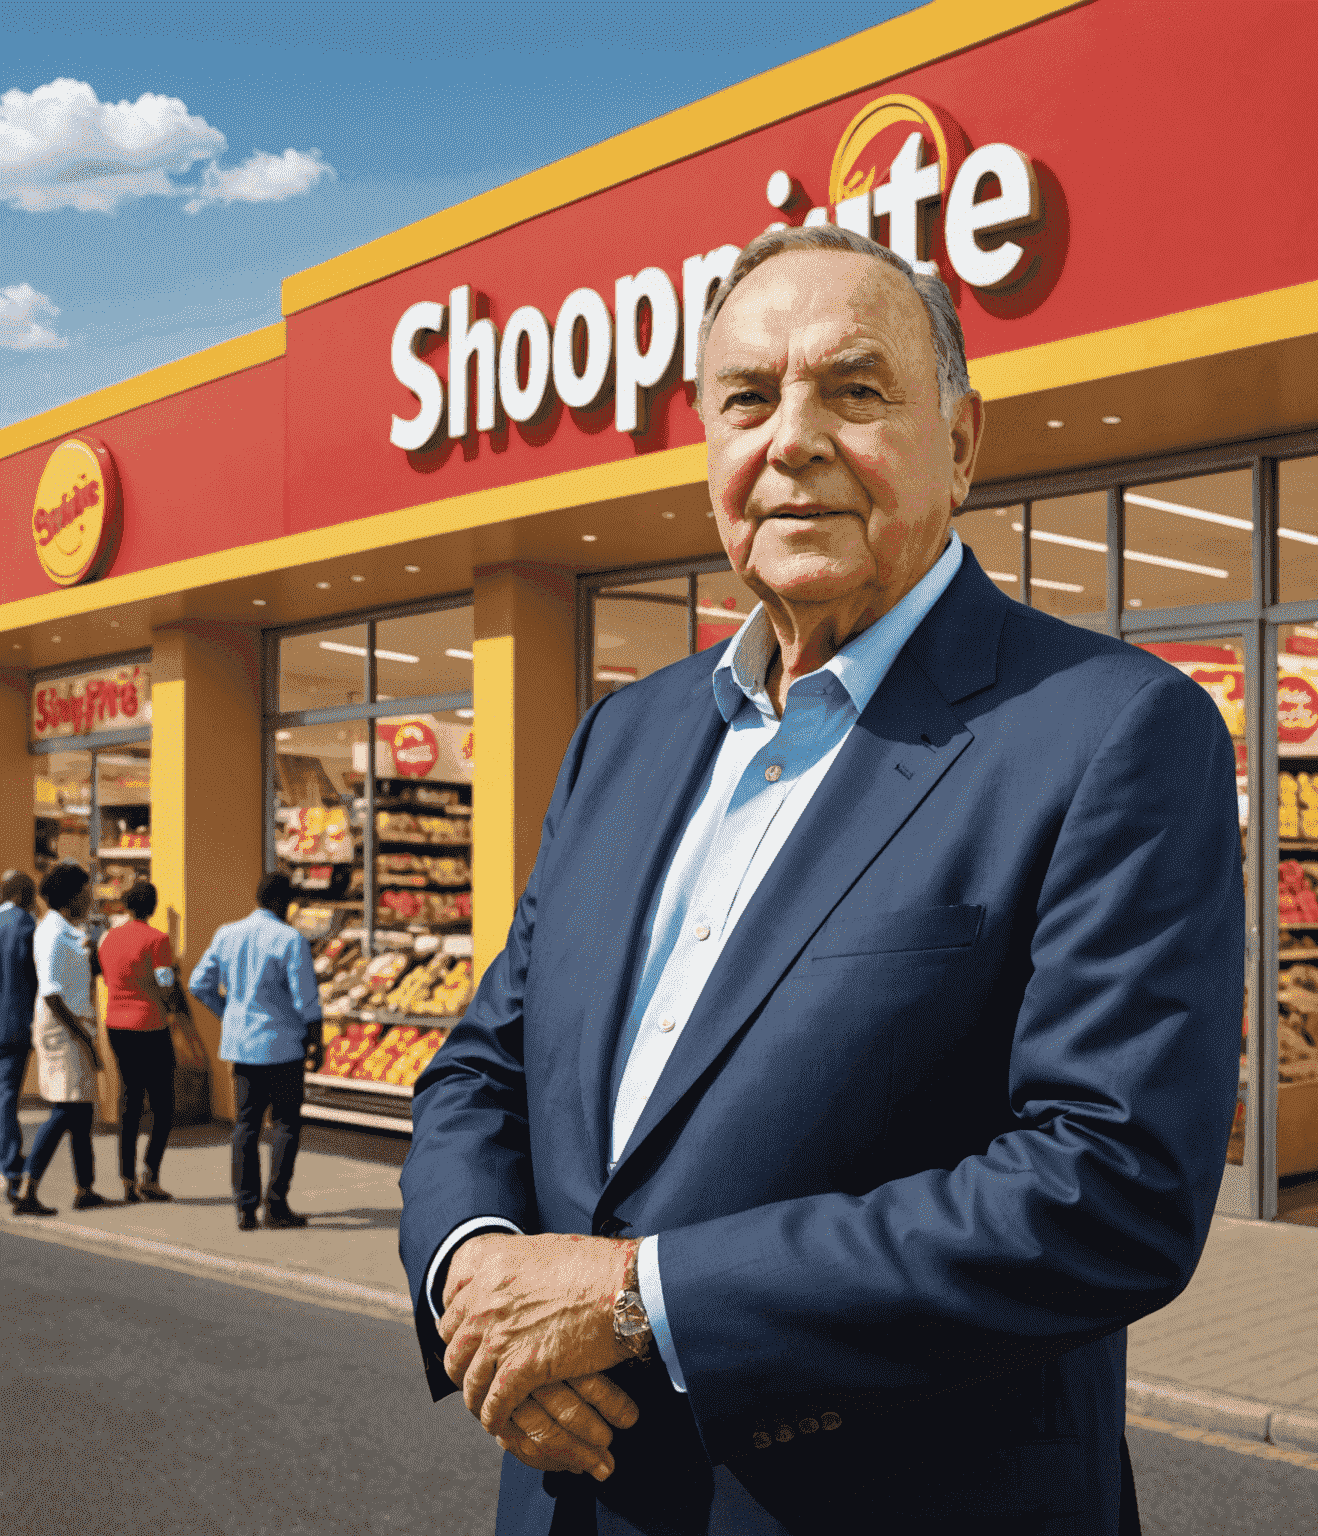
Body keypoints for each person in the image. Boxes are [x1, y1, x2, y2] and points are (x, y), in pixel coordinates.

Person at [399, 226, 1245, 1536]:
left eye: (854, 391)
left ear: (962, 442)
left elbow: (1108, 1186)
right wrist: (474, 1280)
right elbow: (485, 1067)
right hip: (571, 1499)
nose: (790, 441)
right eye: (746, 397)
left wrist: (635, 1299)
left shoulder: (1114, 732)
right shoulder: (624, 736)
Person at [188, 871, 322, 1232]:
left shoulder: (227, 934)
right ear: (282, 901)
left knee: (246, 1125)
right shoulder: (290, 940)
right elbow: (305, 996)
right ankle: (276, 1204)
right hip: (282, 1047)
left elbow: (198, 983)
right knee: (285, 1124)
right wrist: (316, 1038)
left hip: (243, 1047)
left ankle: (245, 1208)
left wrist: (227, 1013)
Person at [13, 863, 106, 1216]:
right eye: (85, 891)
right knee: (66, 1108)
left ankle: (85, 1188)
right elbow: (52, 992)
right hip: (62, 1029)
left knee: (80, 1110)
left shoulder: (66, 929)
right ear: (71, 896)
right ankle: (27, 1190)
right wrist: (84, 1038)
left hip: (71, 1025)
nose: (90, 897)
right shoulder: (52, 931)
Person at [98, 880, 179, 1203]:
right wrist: (173, 1006)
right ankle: (151, 1176)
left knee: (130, 1102)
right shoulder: (157, 940)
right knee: (163, 1104)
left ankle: (126, 1179)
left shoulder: (109, 939)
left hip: (116, 1024)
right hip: (150, 1025)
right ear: (153, 907)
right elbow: (166, 983)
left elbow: (107, 976)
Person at [0, 869, 39, 1206]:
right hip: (13, 1025)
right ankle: (11, 1168)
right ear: (26, 895)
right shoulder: (25, 925)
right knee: (7, 1096)